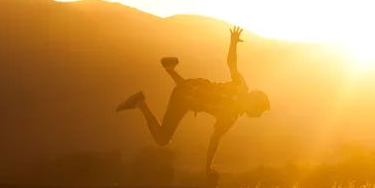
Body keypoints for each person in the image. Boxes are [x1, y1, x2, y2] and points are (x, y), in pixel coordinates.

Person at [116, 26, 271, 172]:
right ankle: (141, 103)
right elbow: (214, 141)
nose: (258, 116)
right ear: (255, 103)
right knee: (163, 139)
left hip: (193, 85)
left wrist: (233, 42)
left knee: (190, 90)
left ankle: (170, 69)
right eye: (260, 111)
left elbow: (231, 63)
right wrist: (208, 167)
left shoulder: (241, 86)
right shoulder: (230, 117)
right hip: (184, 98)